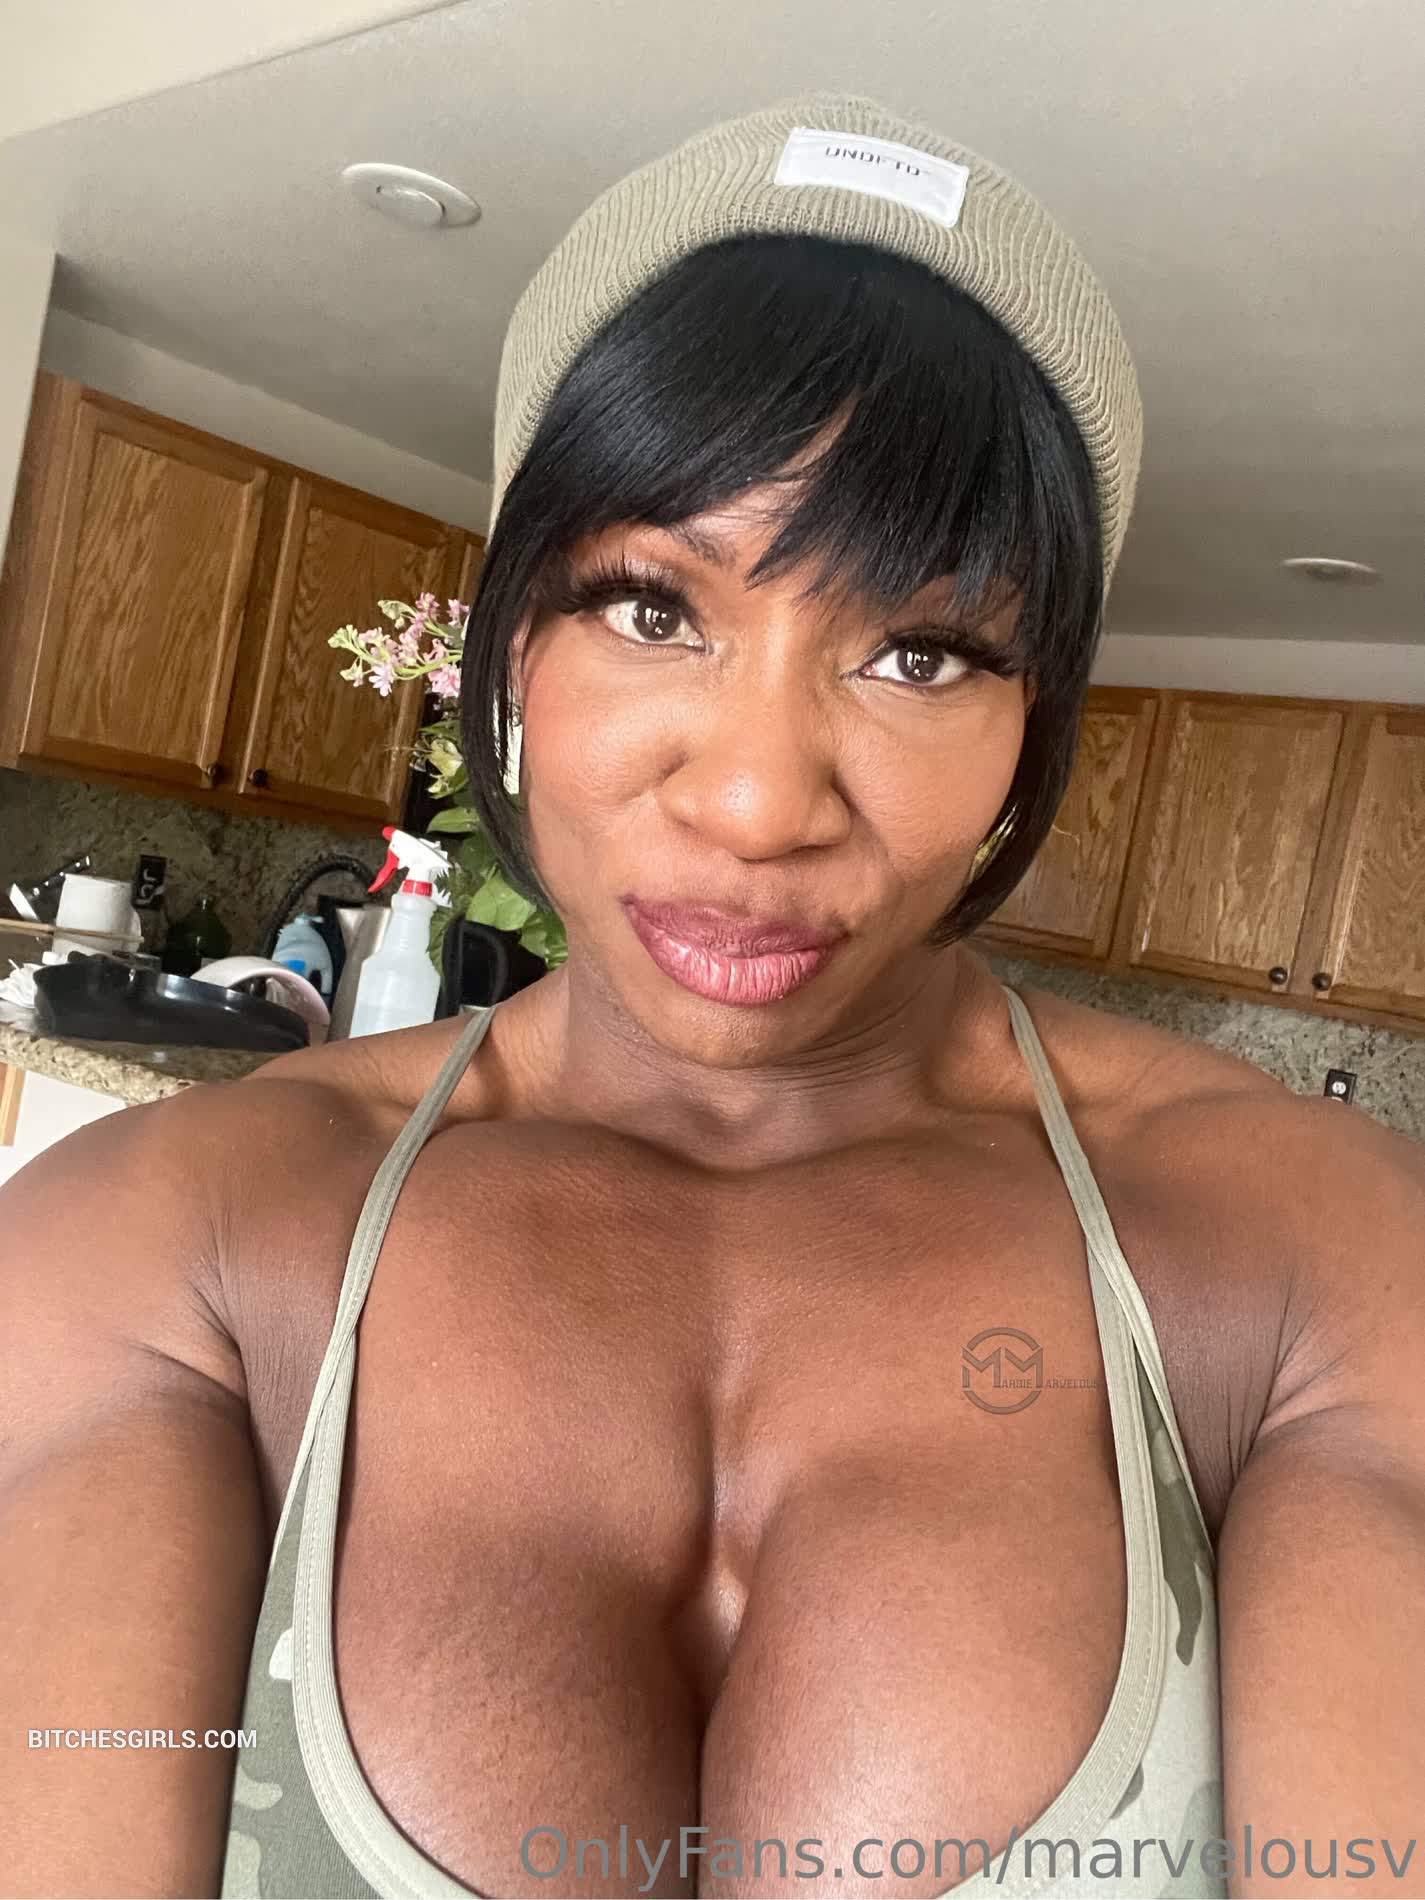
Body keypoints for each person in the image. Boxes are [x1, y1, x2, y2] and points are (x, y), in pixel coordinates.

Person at [2, 90, 1422, 1900]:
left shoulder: (1316, 1259)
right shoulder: (158, 1248)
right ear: (510, 642)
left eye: (921, 654)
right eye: (652, 610)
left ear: (1037, 720)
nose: (757, 803)